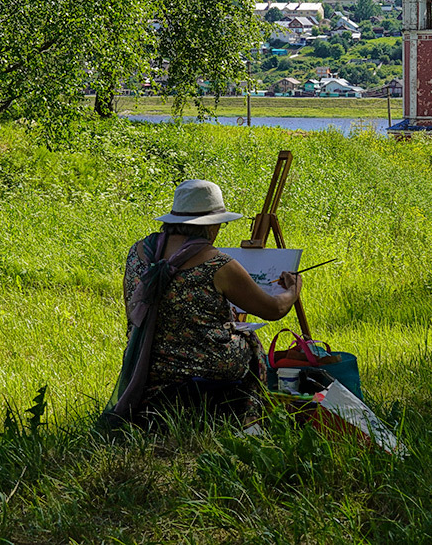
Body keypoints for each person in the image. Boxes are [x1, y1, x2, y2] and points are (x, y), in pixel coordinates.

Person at [117, 178, 302, 423]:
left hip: (146, 363)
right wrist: (292, 290)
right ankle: (247, 418)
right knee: (249, 342)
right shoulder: (217, 263)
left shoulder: (137, 252)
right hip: (202, 369)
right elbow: (274, 309)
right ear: (211, 226)